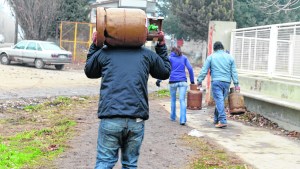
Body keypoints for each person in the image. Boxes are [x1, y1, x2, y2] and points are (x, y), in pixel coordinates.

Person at [84, 32, 171, 168]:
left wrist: (95, 46)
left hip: (111, 118)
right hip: (136, 119)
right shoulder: (147, 55)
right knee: (130, 164)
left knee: (104, 162)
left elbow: (89, 71)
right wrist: (161, 45)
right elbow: (165, 72)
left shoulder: (105, 53)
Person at [197, 41, 240, 128]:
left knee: (219, 101)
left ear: (214, 49)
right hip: (227, 83)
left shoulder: (211, 57)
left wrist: (199, 80)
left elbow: (204, 70)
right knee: (220, 101)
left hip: (216, 82)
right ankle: (216, 119)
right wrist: (236, 84)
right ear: (222, 48)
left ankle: (223, 120)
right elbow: (234, 72)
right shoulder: (230, 57)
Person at [168, 47, 195, 125]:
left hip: (172, 81)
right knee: (182, 100)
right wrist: (192, 81)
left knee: (173, 99)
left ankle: (173, 117)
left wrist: (159, 80)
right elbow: (190, 68)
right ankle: (182, 119)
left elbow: (165, 69)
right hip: (183, 81)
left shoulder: (170, 58)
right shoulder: (184, 58)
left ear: (172, 52)